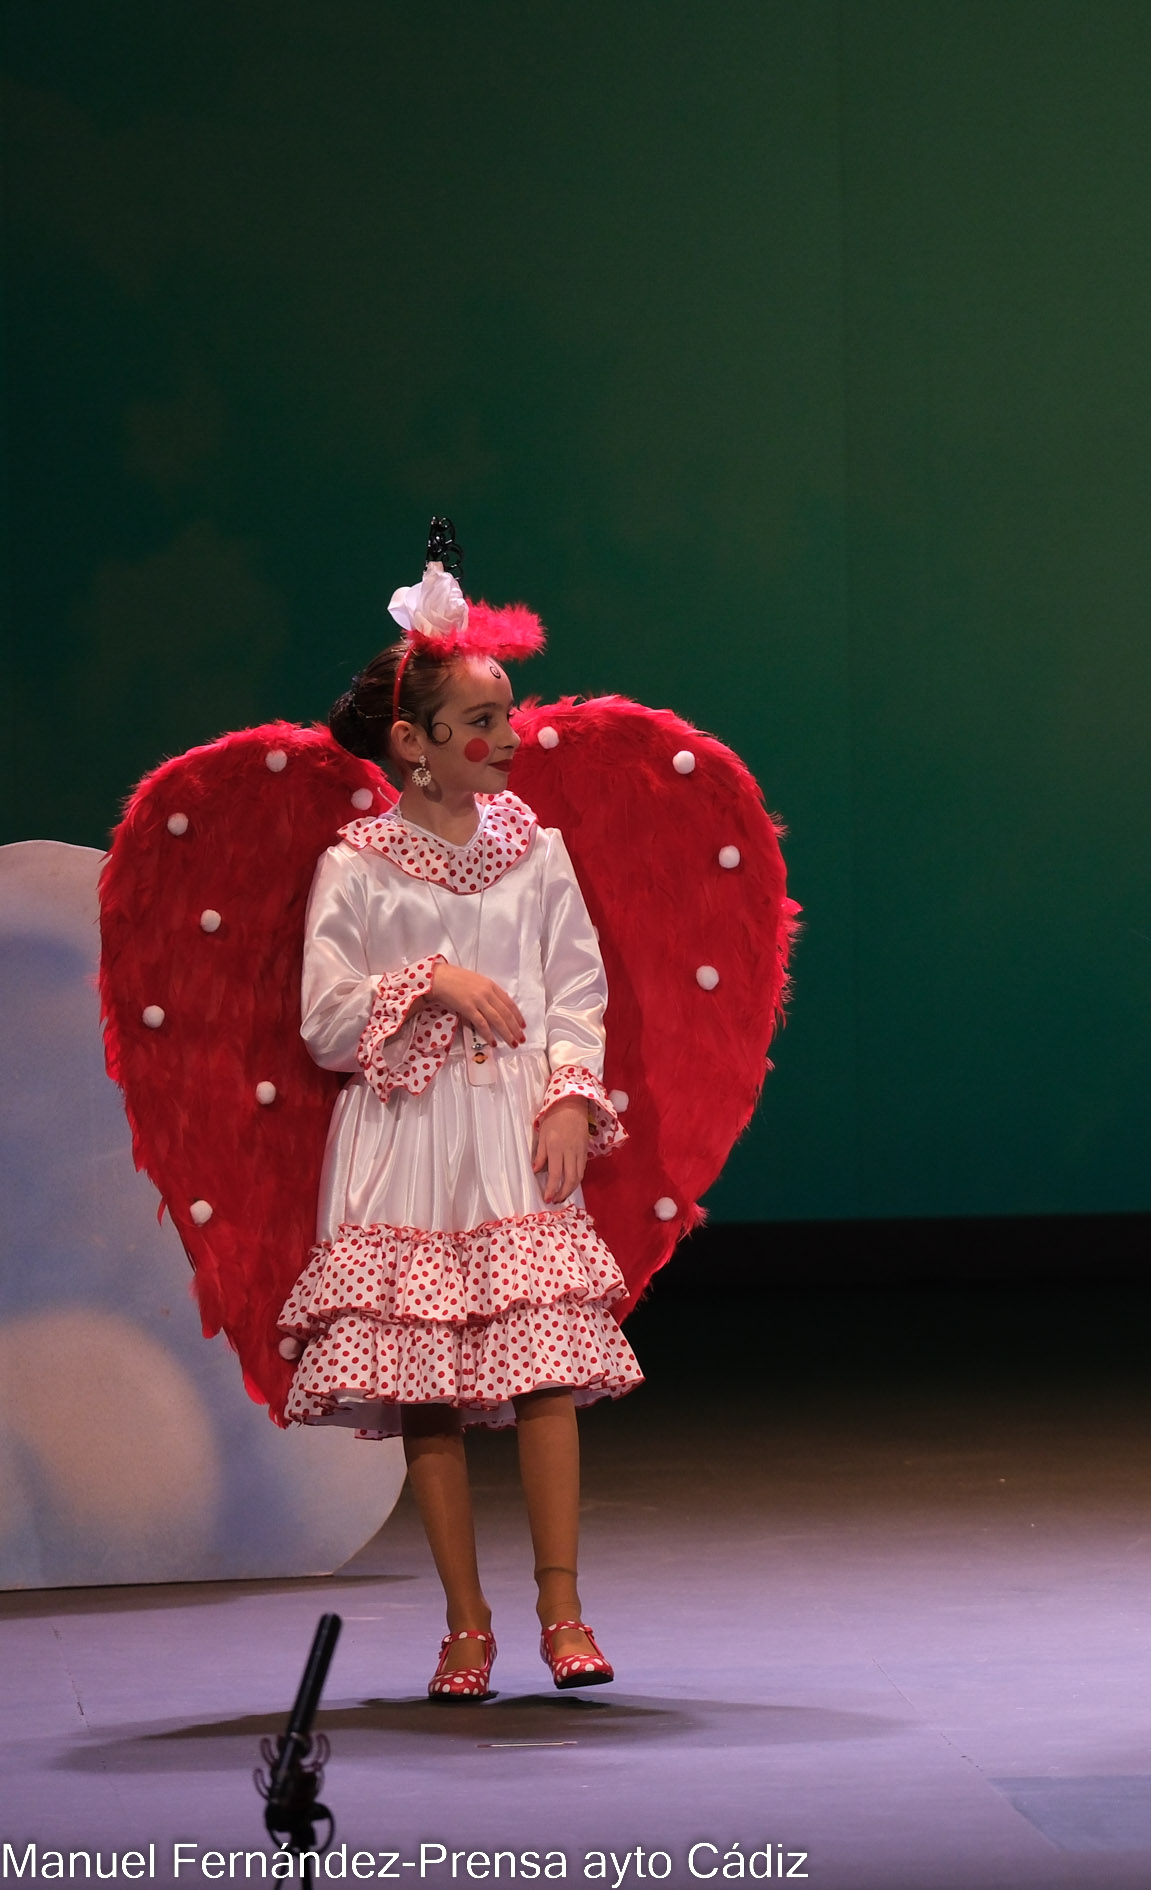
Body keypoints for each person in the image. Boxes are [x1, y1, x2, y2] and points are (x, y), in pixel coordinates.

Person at [284, 559, 638, 1699]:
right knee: (426, 1381)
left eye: (506, 717)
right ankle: (467, 1623)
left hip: (509, 1126)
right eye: (479, 722)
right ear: (414, 743)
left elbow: (576, 986)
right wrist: (431, 978)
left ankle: (562, 1607)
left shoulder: (537, 856)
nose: (507, 739)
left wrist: (572, 1094)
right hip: (405, 1135)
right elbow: (328, 1019)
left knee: (542, 1371)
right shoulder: (357, 868)